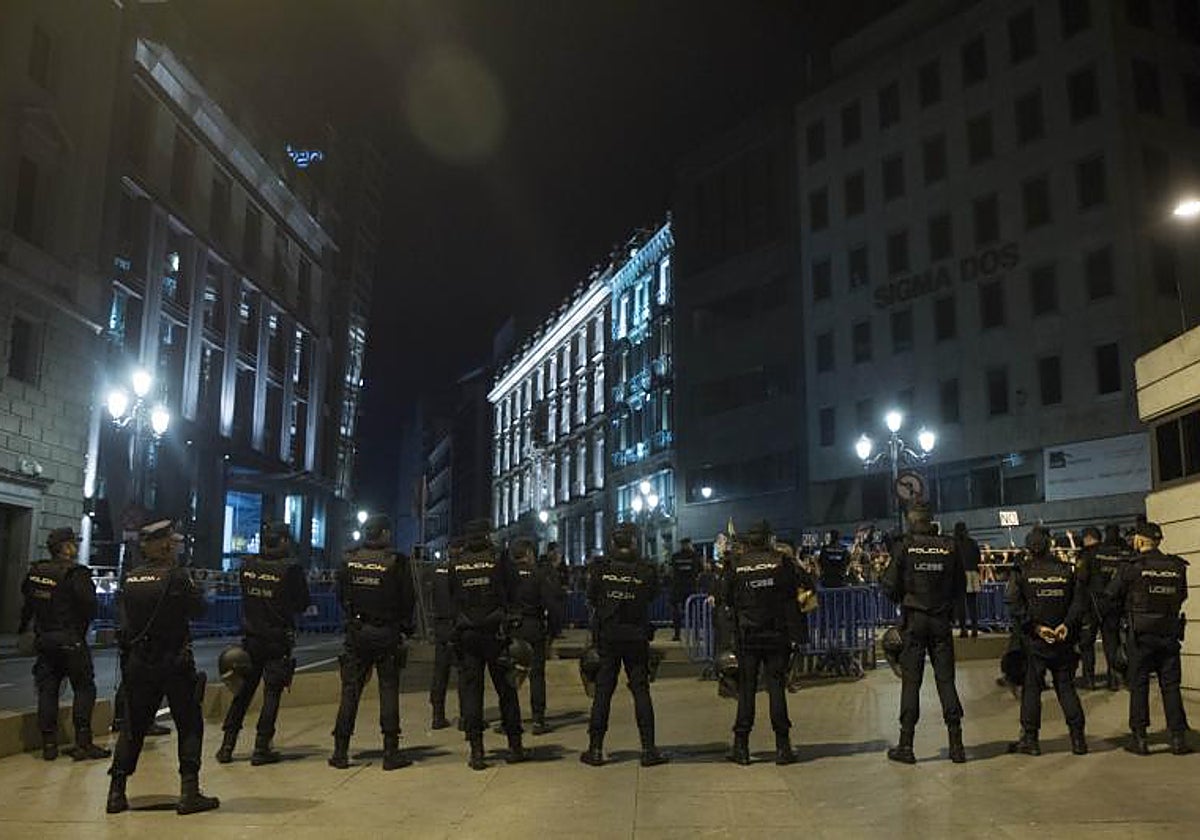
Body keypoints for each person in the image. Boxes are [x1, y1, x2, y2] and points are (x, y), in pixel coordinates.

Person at [107, 519, 218, 815]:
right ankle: (189, 791)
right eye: (174, 542)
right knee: (189, 722)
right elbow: (199, 610)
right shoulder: (177, 577)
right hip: (174, 662)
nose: (177, 547)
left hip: (139, 663)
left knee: (134, 726)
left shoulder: (130, 578)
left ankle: (116, 792)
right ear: (166, 545)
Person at [217, 521, 311, 765]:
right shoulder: (290, 569)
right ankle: (261, 746)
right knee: (272, 694)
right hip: (277, 638)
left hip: (250, 639)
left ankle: (227, 745)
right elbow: (302, 603)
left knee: (243, 693)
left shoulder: (247, 565)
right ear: (282, 541)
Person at [881, 503, 966, 764]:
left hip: (914, 620)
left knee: (911, 683)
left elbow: (889, 584)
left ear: (911, 521)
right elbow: (959, 585)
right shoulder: (949, 546)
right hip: (940, 619)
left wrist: (903, 599)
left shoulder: (905, 547)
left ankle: (906, 745)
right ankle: (957, 745)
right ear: (931, 520)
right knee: (946, 681)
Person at [329, 514, 415, 771]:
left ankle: (340, 750)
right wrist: (404, 628)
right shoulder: (396, 562)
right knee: (388, 690)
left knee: (350, 690)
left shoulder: (349, 559)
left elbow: (340, 594)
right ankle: (390, 751)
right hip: (386, 632)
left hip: (358, 631)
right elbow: (407, 600)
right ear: (385, 534)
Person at [580, 523, 668, 768]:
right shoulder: (645, 570)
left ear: (612, 544)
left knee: (603, 692)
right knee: (641, 691)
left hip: (608, 637)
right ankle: (649, 749)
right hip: (636, 635)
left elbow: (592, 598)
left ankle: (595, 748)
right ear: (634, 543)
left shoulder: (601, 569)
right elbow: (652, 595)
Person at [18, 527, 110, 762]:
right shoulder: (76, 574)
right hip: (70, 639)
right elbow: (90, 606)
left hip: (45, 639)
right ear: (66, 547)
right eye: (73, 543)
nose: (76, 547)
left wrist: (24, 631)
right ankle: (83, 743)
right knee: (84, 687)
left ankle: (49, 744)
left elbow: (28, 605)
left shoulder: (36, 571)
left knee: (48, 690)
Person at [718, 521, 805, 765]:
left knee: (746, 689)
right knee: (776, 688)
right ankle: (783, 746)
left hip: (747, 635)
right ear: (768, 538)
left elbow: (725, 597)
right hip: (777, 633)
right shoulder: (781, 562)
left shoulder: (736, 564)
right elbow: (799, 590)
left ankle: (741, 746)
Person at [1104, 521, 1192, 756]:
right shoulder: (1176, 566)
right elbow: (1182, 596)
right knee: (1171, 687)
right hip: (1169, 633)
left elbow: (1111, 594)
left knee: (1139, 686)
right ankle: (1177, 738)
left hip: (1140, 636)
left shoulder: (1131, 567)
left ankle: (1140, 738)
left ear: (1141, 540)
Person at [447, 519, 525, 770]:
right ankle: (514, 745)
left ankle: (477, 750)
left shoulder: (457, 563)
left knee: (472, 692)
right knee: (506, 689)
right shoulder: (498, 559)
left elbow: (451, 597)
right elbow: (515, 590)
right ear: (487, 535)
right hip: (496, 632)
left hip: (468, 632)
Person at [1005, 527, 1088, 756]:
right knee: (1066, 687)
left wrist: (1036, 627)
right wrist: (1066, 626)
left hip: (1035, 640)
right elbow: (1078, 603)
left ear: (1029, 548)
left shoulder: (1022, 572)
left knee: (1031, 689)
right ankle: (1078, 739)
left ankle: (1030, 740)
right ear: (1050, 545)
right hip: (1062, 639)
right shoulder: (1066, 571)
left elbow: (1013, 603)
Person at [510, 537, 565, 735]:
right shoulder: (538, 575)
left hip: (512, 628)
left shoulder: (505, 575)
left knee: (510, 674)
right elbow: (552, 604)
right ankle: (538, 719)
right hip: (534, 626)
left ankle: (510, 718)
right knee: (536, 674)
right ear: (529, 554)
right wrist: (554, 630)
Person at [1077, 524, 1133, 690]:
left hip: (1092, 604)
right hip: (1114, 603)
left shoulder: (1086, 554)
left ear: (1087, 538)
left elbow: (1081, 578)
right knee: (1112, 642)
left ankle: (1089, 679)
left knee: (1087, 643)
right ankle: (1114, 678)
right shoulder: (1114, 554)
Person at [429, 538, 460, 730]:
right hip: (458, 624)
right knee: (466, 672)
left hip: (441, 625)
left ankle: (437, 714)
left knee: (440, 672)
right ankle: (467, 715)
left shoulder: (437, 570)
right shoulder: (460, 571)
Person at [667, 537, 700, 641]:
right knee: (693, 613)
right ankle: (696, 635)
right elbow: (699, 570)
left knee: (676, 613)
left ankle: (677, 635)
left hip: (677, 587)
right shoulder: (694, 556)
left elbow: (671, 571)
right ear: (689, 544)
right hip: (690, 588)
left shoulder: (675, 556)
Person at [953, 522, 981, 638]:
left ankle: (963, 629)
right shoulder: (973, 542)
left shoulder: (954, 543)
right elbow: (978, 558)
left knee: (960, 603)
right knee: (972, 603)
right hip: (973, 572)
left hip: (959, 573)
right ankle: (974, 628)